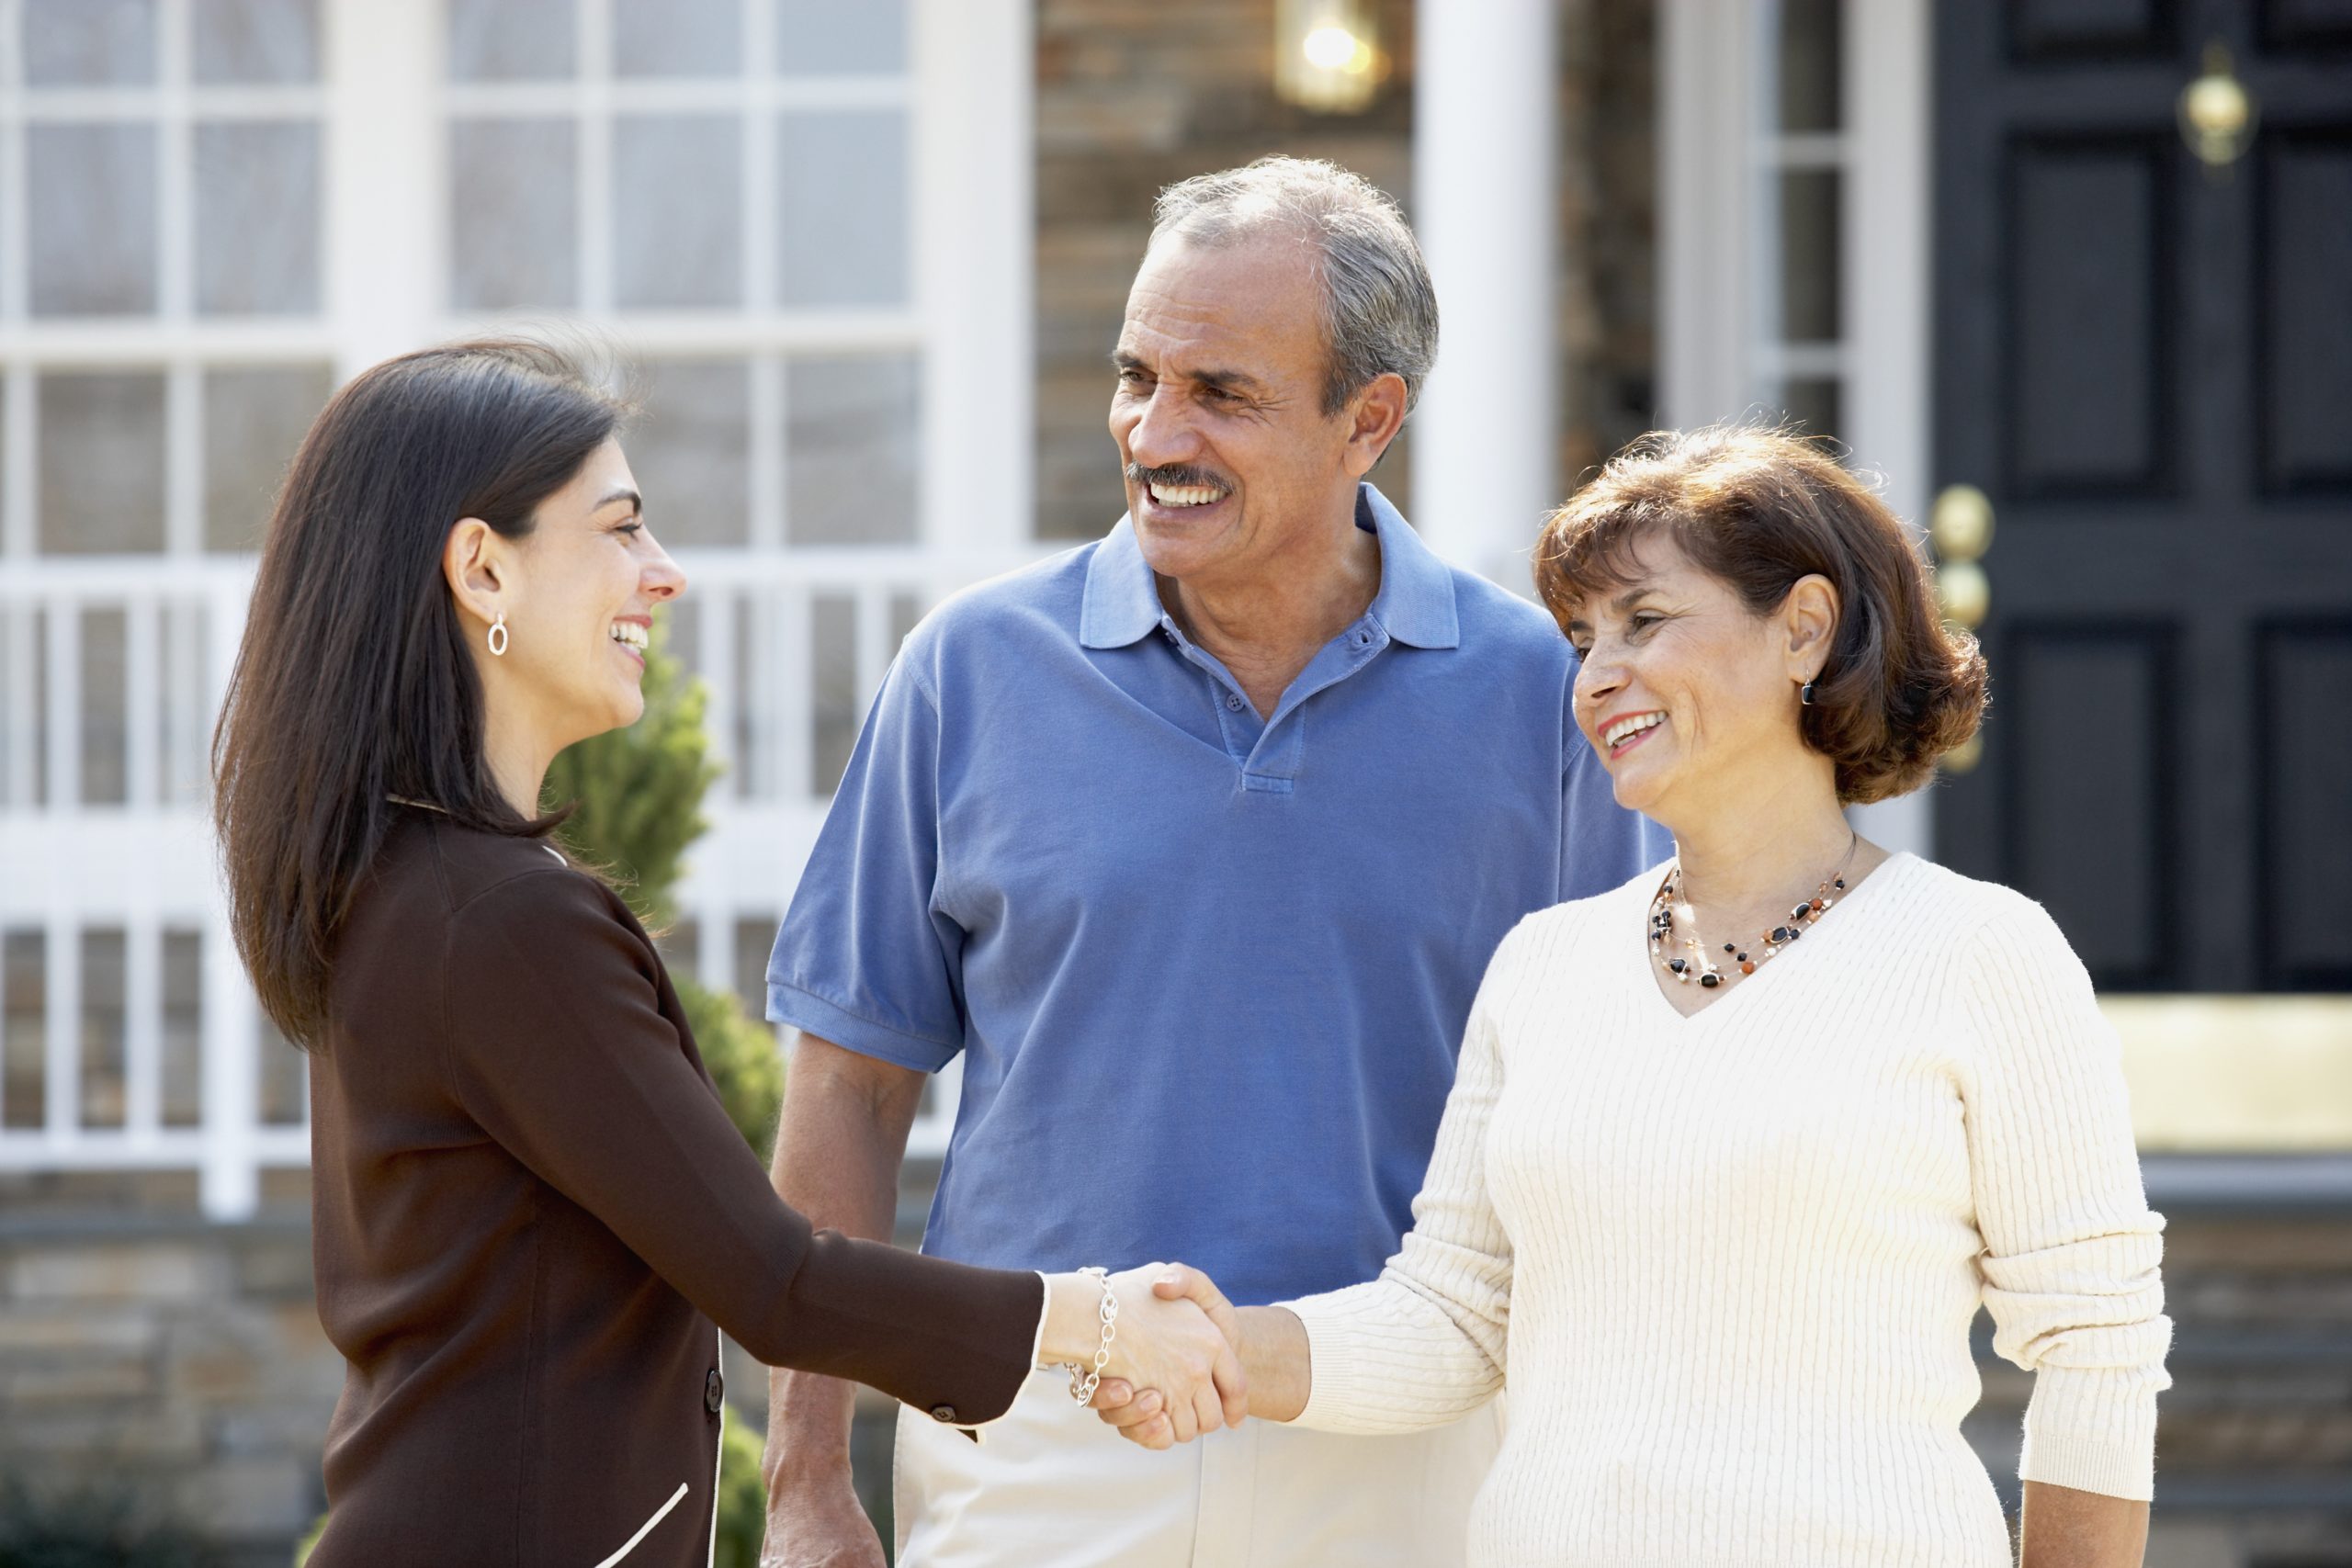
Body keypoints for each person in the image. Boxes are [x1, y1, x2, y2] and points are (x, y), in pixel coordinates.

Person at [757, 157, 1662, 1568]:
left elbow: (1608, 1119)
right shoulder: (972, 670)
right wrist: (807, 1478)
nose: (1154, 432)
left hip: (1398, 1444)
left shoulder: (1535, 697)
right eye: (1137, 376)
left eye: (1220, 393)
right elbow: (848, 1088)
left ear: (1368, 420)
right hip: (1043, 1439)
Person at [209, 340, 1240, 1568]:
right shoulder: (498, 919)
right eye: (622, 528)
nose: (664, 575)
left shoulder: (419, 889)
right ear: (482, 567)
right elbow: (775, 1279)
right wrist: (1098, 1318)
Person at [1100, 426, 2174, 1568]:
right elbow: (1456, 1317)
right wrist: (1220, 1349)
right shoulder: (1541, 966)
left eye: (1643, 622)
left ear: (1803, 628)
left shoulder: (1977, 952)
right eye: (1581, 639)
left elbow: (2094, 1346)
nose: (1595, 676)